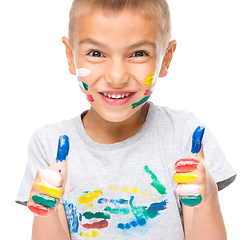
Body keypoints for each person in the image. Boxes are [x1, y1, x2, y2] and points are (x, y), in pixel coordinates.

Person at [15, 0, 236, 239]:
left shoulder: (185, 134)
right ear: (70, 57)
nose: (117, 76)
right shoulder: (49, 143)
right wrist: (45, 211)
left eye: (138, 53)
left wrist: (208, 199)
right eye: (96, 53)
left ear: (166, 59)